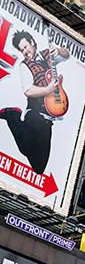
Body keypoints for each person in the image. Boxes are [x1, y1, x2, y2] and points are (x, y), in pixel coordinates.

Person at [0, 31, 69, 174]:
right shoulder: (24, 66)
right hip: (35, 115)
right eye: (22, 50)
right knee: (25, 147)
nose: (25, 52)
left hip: (48, 119)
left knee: (39, 169)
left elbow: (66, 55)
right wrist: (47, 89)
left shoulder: (47, 54)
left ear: (32, 42)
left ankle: (14, 117)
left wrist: (59, 50)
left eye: (25, 47)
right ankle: (12, 115)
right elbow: (28, 91)